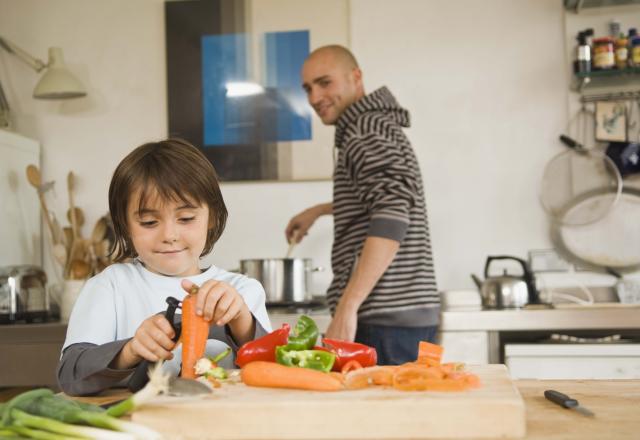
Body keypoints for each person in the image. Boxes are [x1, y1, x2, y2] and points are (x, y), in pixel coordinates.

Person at [57, 139, 271, 396]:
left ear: (211, 216)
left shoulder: (241, 291)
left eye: (186, 218)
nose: (169, 234)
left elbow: (273, 373)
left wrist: (241, 322)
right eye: (149, 222)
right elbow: (70, 375)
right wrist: (131, 350)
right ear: (125, 225)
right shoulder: (110, 287)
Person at [285, 45, 439, 365]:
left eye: (324, 83)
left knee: (380, 415)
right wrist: (321, 210)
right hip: (398, 315)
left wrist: (347, 306)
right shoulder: (374, 126)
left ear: (356, 78)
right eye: (307, 88)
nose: (314, 98)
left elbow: (393, 211)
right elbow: (382, 198)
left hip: (383, 317)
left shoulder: (364, 131)